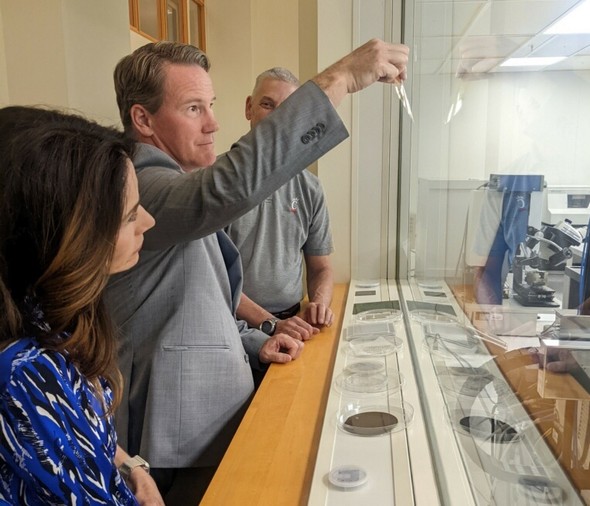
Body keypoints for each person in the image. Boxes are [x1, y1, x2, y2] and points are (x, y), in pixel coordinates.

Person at [105, 39, 409, 503]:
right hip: (174, 437)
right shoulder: (141, 184)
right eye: (193, 109)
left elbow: (197, 302)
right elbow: (228, 187)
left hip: (213, 415)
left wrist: (258, 337)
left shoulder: (178, 181)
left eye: (211, 106)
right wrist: (341, 77)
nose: (213, 124)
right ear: (142, 119)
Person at [0, 106, 162, 505]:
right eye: (128, 217)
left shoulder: (57, 314)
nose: (148, 222)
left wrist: (132, 468)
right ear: (68, 239)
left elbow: (92, 436)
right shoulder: (24, 375)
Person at [226, 67, 335, 343]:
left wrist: (319, 303)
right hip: (232, 326)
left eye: (287, 110)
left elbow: (321, 267)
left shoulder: (310, 187)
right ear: (249, 108)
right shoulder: (218, 183)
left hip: (291, 322)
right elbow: (215, 279)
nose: (276, 118)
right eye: (267, 105)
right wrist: (270, 324)